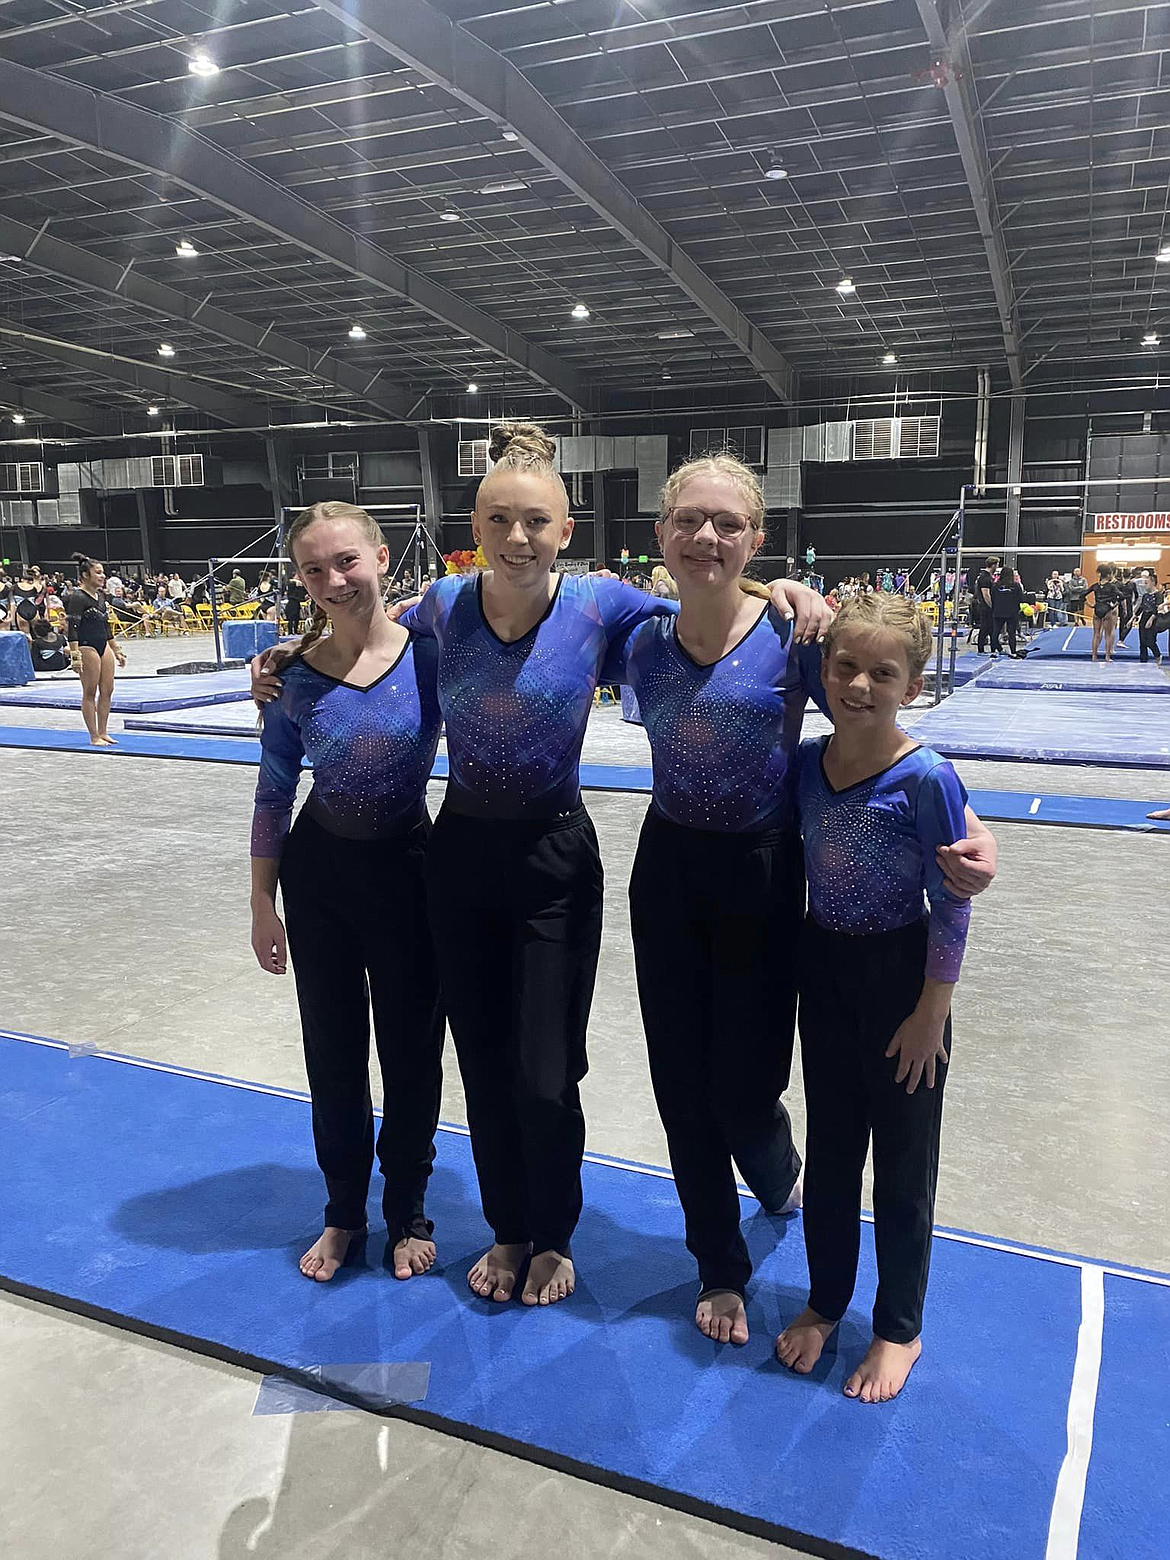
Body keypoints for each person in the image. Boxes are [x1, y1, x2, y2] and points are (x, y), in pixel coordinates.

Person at [253, 423, 835, 1310]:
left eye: (536, 521)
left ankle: (555, 1230)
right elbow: (356, 629)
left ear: (567, 530)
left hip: (554, 855)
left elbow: (706, 596)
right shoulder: (441, 609)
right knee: (482, 1061)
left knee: (542, 1065)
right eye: (498, 520)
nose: (517, 538)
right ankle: (510, 1227)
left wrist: (780, 582)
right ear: (473, 527)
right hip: (460, 855)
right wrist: (285, 660)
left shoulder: (603, 607)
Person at [622, 458, 996, 1349]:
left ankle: (776, 1167)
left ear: (757, 536)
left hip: (764, 868)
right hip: (669, 867)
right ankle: (720, 1263)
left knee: (746, 1082)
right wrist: (316, 646)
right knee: (680, 1083)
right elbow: (514, 606)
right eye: (686, 521)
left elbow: (885, 759)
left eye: (727, 523)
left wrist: (973, 829)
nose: (704, 537)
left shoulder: (801, 639)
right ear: (662, 533)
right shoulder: (635, 638)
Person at [776, 593, 974, 1404]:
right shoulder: (805, 767)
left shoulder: (926, 778)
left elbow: (954, 902)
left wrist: (931, 1014)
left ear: (914, 686)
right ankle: (826, 1300)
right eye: (845, 666)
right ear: (824, 671)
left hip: (902, 981)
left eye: (882, 673)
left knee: (900, 1168)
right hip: (823, 969)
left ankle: (899, 1327)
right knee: (829, 1157)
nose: (860, 684)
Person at [250, 502, 445, 1285]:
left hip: (409, 871)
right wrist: (262, 903)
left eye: (347, 562)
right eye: (314, 570)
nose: (334, 581)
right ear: (299, 578)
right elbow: (272, 792)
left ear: (382, 557)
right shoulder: (291, 677)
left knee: (411, 1051)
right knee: (332, 1052)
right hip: (321, 875)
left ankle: (408, 1206)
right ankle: (342, 1210)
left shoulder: (434, 655)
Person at [65, 553, 126, 746]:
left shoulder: (100, 596)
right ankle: (93, 736)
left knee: (108, 689)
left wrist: (116, 649)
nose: (102, 576)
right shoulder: (77, 597)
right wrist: (75, 655)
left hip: (103, 644)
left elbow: (106, 625)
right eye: (98, 572)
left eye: (103, 572)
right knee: (90, 691)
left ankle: (103, 731)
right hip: (86, 646)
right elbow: (72, 626)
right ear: (85, 575)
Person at [1084, 565, 1122, 662]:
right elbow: (1121, 596)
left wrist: (1089, 605)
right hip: (1107, 610)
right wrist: (1113, 605)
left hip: (1097, 610)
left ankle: (1094, 656)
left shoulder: (1095, 586)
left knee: (1096, 634)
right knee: (1108, 635)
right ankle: (1107, 656)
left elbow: (1082, 595)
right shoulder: (1112, 586)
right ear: (1108, 575)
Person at [990, 565, 1025, 658]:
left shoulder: (995, 585)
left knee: (995, 632)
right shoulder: (1016, 586)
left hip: (998, 611)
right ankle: (1013, 652)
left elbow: (992, 598)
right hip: (1012, 612)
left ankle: (993, 652)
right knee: (1011, 633)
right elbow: (1020, 599)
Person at [1136, 578, 1167, 665]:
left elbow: (1157, 608)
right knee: (1142, 642)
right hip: (1144, 618)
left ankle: (1157, 655)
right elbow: (1141, 607)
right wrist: (1133, 617)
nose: (1144, 585)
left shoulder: (1158, 594)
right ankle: (1143, 660)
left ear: (1153, 583)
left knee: (1150, 640)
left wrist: (1151, 619)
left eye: (1146, 583)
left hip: (1153, 618)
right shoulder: (1145, 595)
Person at [973, 555, 999, 654]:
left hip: (986, 607)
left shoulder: (988, 577)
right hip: (986, 607)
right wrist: (992, 607)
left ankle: (994, 649)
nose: (997, 567)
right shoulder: (984, 578)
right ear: (993, 565)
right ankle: (981, 649)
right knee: (984, 628)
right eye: (997, 565)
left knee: (991, 629)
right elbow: (986, 595)